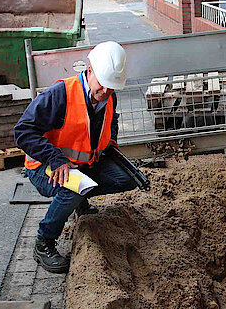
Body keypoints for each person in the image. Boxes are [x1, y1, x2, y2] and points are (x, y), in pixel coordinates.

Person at [15, 41, 137, 274]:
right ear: (90, 71)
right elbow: (23, 131)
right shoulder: (59, 94)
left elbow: (112, 120)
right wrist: (55, 158)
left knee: (127, 179)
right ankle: (44, 242)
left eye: (112, 88)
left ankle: (80, 201)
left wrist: (110, 140)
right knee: (72, 189)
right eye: (103, 86)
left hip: (83, 164)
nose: (106, 92)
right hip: (44, 166)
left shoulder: (109, 95)